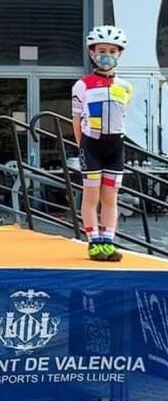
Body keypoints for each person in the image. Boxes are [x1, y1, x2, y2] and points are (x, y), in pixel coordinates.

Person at [72, 25, 132, 262]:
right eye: (101, 50)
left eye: (112, 50)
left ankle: (108, 240)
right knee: (91, 196)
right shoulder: (82, 85)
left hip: (115, 145)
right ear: (92, 53)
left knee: (110, 197)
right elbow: (76, 119)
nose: (106, 55)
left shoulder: (125, 87)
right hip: (92, 145)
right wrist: (81, 146)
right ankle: (93, 241)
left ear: (119, 54)